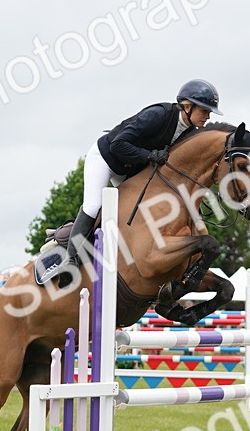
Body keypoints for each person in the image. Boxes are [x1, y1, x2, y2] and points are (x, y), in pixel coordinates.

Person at [36, 79, 223, 284]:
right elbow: (118, 144)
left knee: (139, 211)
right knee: (93, 205)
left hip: (130, 168)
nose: (207, 116)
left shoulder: (189, 133)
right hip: (106, 158)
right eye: (204, 110)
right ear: (187, 106)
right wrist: (149, 156)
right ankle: (69, 258)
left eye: (209, 112)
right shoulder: (158, 115)